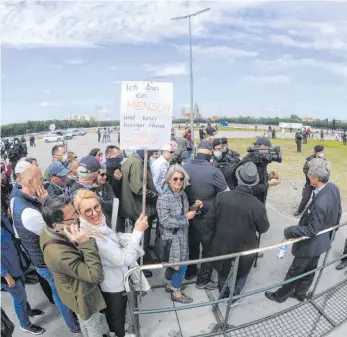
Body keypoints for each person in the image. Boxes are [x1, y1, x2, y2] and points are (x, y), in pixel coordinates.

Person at [12, 165, 80, 333]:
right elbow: (56, 230)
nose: (43, 182)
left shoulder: (17, 198)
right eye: (40, 179)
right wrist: (47, 202)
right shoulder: (28, 212)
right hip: (45, 261)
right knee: (60, 293)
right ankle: (73, 324)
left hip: (38, 256)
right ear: (29, 181)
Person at [265, 158, 341, 303]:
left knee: (295, 271)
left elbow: (312, 230)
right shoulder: (333, 188)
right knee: (310, 270)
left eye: (309, 174)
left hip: (311, 245)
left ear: (316, 178)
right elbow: (338, 212)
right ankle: (301, 293)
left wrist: (290, 231)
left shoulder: (320, 203)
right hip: (323, 241)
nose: (307, 176)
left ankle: (280, 296)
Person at [74, 190, 147, 337]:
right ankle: (120, 334)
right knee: (116, 313)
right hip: (112, 284)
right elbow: (124, 259)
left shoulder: (95, 225)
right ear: (78, 213)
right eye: (88, 211)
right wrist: (137, 233)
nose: (95, 213)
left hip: (115, 279)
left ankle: (120, 329)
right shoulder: (90, 235)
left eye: (96, 207)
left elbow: (113, 238)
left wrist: (128, 237)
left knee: (118, 311)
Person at [40, 196, 110, 337]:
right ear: (56, 224)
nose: (78, 217)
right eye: (73, 216)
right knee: (93, 326)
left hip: (70, 291)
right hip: (81, 295)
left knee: (84, 322)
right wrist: (85, 244)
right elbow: (95, 276)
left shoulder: (50, 228)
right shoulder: (58, 254)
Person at [205, 162, 270, 303]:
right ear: (254, 183)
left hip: (222, 242)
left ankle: (223, 294)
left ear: (238, 178)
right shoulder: (257, 205)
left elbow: (209, 221)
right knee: (243, 272)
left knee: (222, 271)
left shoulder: (222, 197)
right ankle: (234, 298)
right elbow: (264, 228)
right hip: (246, 246)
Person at [183, 141, 229, 287]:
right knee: (208, 248)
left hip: (189, 212)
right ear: (210, 154)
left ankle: (190, 271)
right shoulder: (214, 171)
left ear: (197, 152)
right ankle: (203, 280)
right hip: (207, 215)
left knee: (192, 244)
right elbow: (225, 193)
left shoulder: (185, 167)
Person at [157, 165, 202, 303]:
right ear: (169, 180)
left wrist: (194, 207)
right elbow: (164, 221)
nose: (178, 181)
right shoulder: (164, 197)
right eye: (175, 178)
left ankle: (171, 285)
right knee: (181, 266)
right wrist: (185, 218)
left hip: (182, 235)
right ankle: (176, 293)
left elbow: (185, 211)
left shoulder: (182, 194)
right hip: (172, 238)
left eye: (181, 179)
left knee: (175, 264)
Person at [1, 212, 45, 335]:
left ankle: (28, 310)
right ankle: (25, 324)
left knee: (22, 291)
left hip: (15, 265)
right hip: (7, 273)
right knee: (19, 298)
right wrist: (6, 275)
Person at [119, 150, 158, 277]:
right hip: (139, 208)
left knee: (139, 238)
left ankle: (141, 263)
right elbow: (138, 188)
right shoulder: (137, 163)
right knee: (142, 239)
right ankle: (140, 266)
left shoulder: (131, 160)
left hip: (133, 206)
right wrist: (156, 196)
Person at [243, 137, 280, 204]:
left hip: (259, 200)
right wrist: (269, 183)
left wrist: (268, 176)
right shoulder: (249, 164)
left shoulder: (260, 159)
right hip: (250, 203)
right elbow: (249, 189)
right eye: (268, 150)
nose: (269, 153)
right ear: (262, 147)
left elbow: (258, 178)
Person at [294, 145, 325, 216]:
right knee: (305, 197)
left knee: (316, 198)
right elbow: (305, 169)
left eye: (322, 151)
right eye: (321, 152)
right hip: (310, 182)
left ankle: (313, 212)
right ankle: (299, 210)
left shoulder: (323, 160)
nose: (322, 153)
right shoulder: (310, 160)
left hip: (318, 183)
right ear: (316, 152)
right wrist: (310, 178)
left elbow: (325, 170)